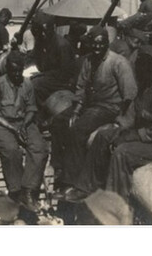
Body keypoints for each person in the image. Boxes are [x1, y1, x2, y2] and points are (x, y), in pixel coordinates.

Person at [69, 45, 152, 201]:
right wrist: (118, 129)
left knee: (122, 152)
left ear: (150, 70)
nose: (135, 71)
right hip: (151, 134)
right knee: (103, 136)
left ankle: (116, 202)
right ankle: (85, 187)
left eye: (139, 68)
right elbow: (131, 115)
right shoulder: (145, 85)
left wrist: (128, 137)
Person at [49, 26, 137, 194]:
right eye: (94, 44)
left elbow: (129, 95)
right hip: (90, 105)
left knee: (78, 130)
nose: (97, 47)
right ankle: (59, 168)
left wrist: (120, 121)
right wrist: (75, 111)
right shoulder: (88, 61)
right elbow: (81, 88)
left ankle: (71, 180)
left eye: (101, 43)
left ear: (107, 43)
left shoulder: (118, 63)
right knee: (58, 122)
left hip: (109, 107)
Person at [0, 50, 49, 212]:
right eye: (13, 71)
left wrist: (24, 125)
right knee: (11, 150)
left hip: (24, 122)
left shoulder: (27, 84)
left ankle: (28, 190)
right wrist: (13, 129)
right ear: (7, 69)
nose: (16, 74)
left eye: (19, 71)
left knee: (40, 148)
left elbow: (31, 108)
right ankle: (15, 192)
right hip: (3, 124)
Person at [25, 12, 77, 110]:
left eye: (45, 31)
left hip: (61, 81)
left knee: (34, 84)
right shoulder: (41, 41)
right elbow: (32, 57)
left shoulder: (61, 45)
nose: (43, 34)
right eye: (40, 32)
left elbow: (65, 72)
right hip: (46, 76)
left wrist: (40, 75)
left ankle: (40, 111)